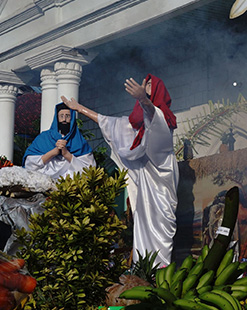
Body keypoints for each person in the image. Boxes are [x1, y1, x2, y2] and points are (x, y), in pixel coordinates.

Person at [61, 74, 179, 265]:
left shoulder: (162, 119)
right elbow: (108, 122)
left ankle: (161, 274)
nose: (145, 86)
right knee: (142, 227)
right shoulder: (135, 127)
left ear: (158, 90)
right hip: (145, 187)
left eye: (149, 85)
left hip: (161, 184)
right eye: (144, 84)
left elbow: (152, 115)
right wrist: (79, 109)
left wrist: (143, 99)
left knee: (162, 229)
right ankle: (144, 274)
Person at [23, 102, 96, 179]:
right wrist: (54, 152)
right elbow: (30, 165)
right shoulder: (44, 138)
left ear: (72, 118)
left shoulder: (79, 141)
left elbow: (89, 170)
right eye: (61, 116)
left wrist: (66, 154)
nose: (64, 119)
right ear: (56, 118)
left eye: (67, 116)